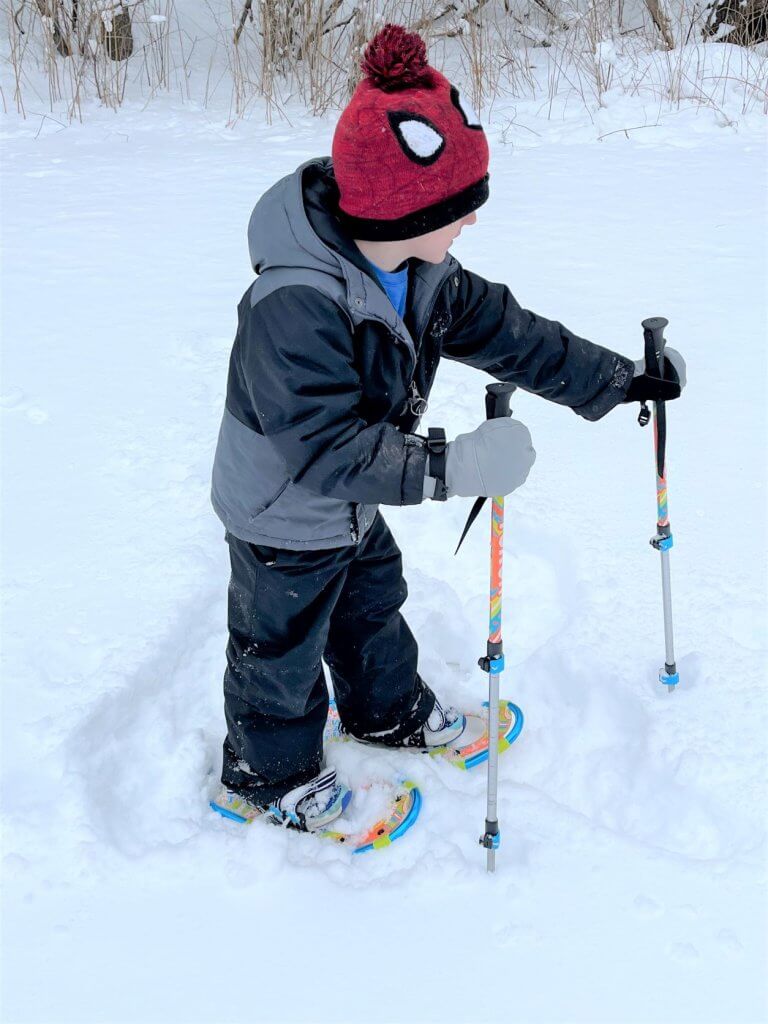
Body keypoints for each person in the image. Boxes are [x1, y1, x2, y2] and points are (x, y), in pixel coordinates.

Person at [209, 23, 686, 833]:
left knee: (371, 605)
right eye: (458, 211)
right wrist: (451, 466)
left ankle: (385, 712)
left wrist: (615, 378)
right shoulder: (295, 303)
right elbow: (323, 447)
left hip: (352, 503)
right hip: (282, 512)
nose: (468, 226)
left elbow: (510, 331)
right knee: (279, 652)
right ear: (401, 213)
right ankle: (267, 775)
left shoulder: (420, 273)